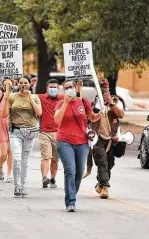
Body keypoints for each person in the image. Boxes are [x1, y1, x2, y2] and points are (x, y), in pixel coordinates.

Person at [54, 80, 101, 212]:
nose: (69, 89)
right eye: (66, 88)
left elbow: (91, 117)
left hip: (82, 142)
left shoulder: (83, 101)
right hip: (64, 141)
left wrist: (101, 115)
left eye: (71, 87)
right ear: (63, 90)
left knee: (79, 173)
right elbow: (57, 120)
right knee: (70, 170)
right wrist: (66, 103)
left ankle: (72, 194)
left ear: (76, 88)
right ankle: (70, 202)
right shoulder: (60, 103)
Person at [3, 76, 42, 197]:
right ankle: (17, 186)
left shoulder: (35, 97)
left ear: (30, 84)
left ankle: (24, 186)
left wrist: (30, 97)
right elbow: (4, 114)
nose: (23, 85)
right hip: (16, 132)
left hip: (30, 132)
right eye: (21, 83)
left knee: (24, 162)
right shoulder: (12, 96)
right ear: (17, 84)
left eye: (26, 83)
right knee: (16, 159)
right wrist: (6, 97)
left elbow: (39, 113)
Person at [88, 78, 124, 199]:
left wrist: (111, 103)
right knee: (102, 161)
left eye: (106, 88)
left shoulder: (115, 101)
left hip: (111, 140)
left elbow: (121, 115)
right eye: (101, 88)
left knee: (109, 163)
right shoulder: (93, 104)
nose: (104, 90)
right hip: (97, 139)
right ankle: (105, 187)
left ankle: (100, 183)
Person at [37, 79, 63, 188]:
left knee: (55, 159)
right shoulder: (40, 98)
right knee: (45, 156)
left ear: (58, 88)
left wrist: (79, 87)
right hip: (44, 132)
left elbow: (76, 99)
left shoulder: (62, 99)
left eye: (55, 87)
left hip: (58, 133)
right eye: (51, 87)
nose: (53, 89)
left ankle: (52, 178)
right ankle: (44, 178)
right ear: (47, 88)